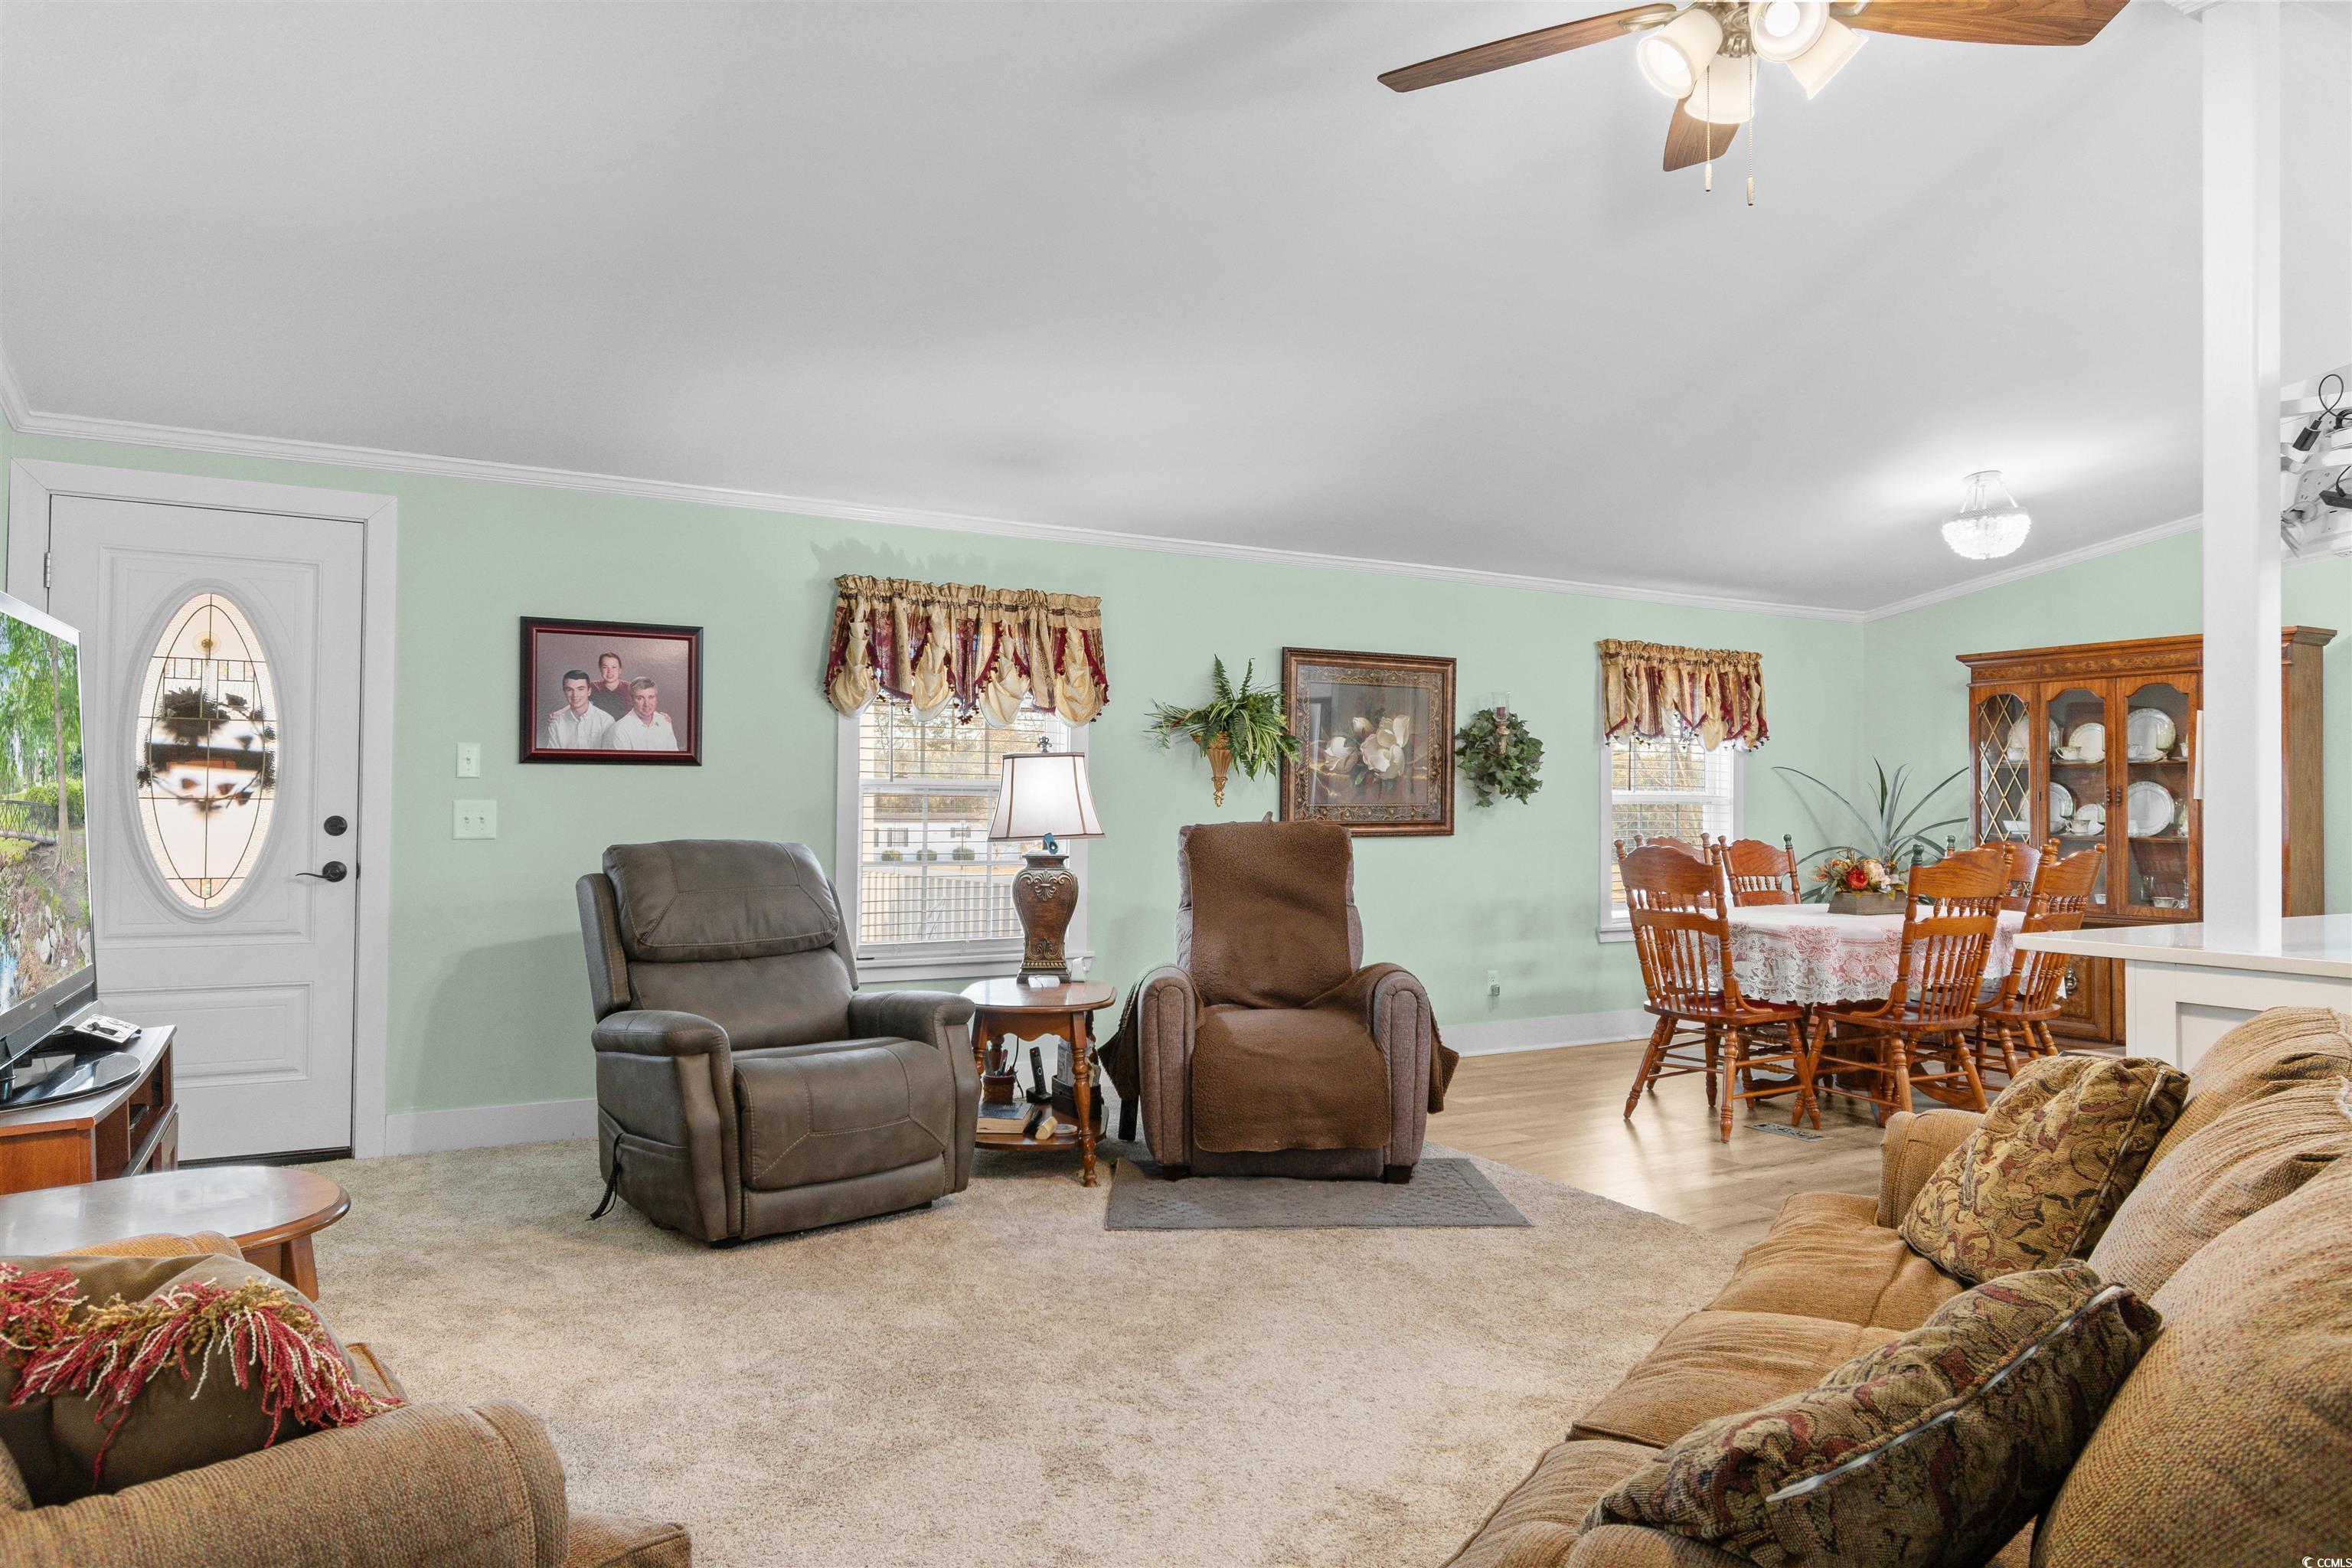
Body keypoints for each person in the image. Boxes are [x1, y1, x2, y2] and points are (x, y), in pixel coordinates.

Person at [543, 670, 616, 750]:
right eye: (570, 690)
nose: (575, 695)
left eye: (580, 689)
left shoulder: (606, 721)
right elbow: (553, 755)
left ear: (589, 691)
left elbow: (609, 755)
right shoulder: (556, 722)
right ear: (564, 692)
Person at [604, 678, 679, 751]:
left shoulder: (664, 722)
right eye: (640, 698)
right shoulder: (620, 731)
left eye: (651, 697)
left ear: (656, 699)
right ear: (631, 700)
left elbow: (674, 755)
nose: (647, 704)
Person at [586, 652, 635, 720]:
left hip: (626, 727)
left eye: (614, 667)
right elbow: (578, 705)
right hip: (599, 727)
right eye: (605, 667)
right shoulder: (592, 687)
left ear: (620, 670)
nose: (610, 671)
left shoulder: (632, 688)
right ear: (600, 670)